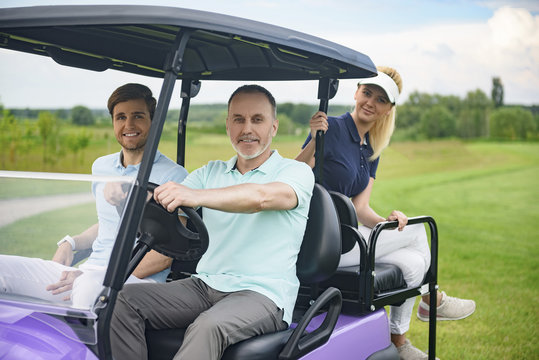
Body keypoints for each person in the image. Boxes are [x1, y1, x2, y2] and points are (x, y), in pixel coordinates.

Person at [110, 84, 314, 360]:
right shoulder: (210, 172)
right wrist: (129, 197)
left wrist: (195, 195)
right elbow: (168, 207)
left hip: (262, 293)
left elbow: (261, 198)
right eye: (238, 120)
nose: (247, 129)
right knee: (122, 300)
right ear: (228, 125)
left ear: (274, 127)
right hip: (205, 285)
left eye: (257, 119)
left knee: (208, 326)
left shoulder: (295, 172)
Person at [296, 66, 475, 359]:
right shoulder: (333, 129)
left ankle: (399, 342)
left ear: (388, 109)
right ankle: (433, 300)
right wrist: (315, 139)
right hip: (325, 244)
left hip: (350, 236)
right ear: (356, 92)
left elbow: (360, 208)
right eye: (367, 93)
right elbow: (296, 175)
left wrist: (388, 223)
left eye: (380, 99)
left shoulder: (371, 148)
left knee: (413, 262)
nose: (370, 102)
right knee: (418, 230)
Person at [0, 83, 188, 309]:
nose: (128, 125)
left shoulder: (175, 176)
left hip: (135, 280)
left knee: (87, 290)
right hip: (88, 271)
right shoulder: (101, 167)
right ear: (113, 122)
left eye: (138, 116)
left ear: (153, 121)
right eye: (120, 117)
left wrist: (100, 277)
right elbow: (108, 223)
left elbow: (164, 256)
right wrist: (70, 242)